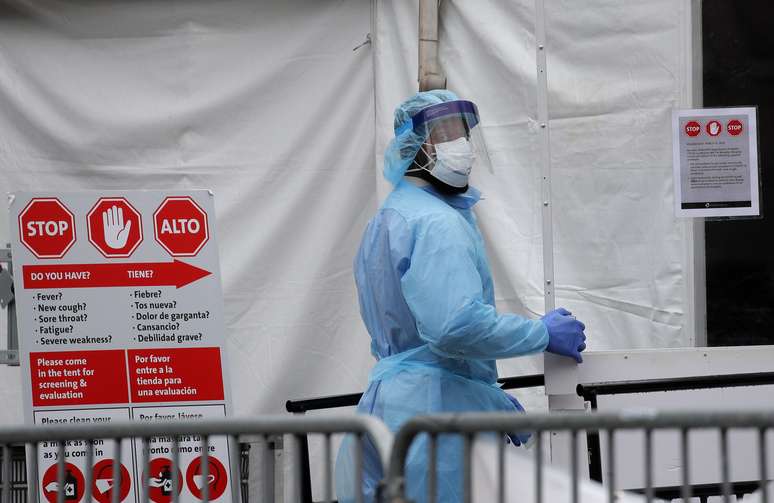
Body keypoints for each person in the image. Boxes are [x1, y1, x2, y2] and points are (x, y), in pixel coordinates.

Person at [336, 89, 587, 503]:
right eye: (444, 132)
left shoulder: (389, 216)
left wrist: (478, 392)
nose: (461, 145)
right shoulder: (438, 224)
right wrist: (539, 333)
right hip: (435, 417)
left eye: (463, 131)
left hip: (391, 406)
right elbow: (455, 327)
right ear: (412, 147)